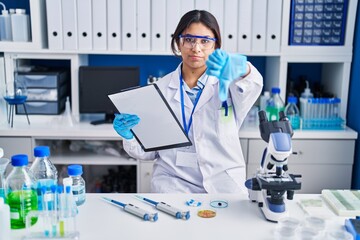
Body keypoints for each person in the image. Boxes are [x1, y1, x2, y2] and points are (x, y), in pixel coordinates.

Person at [113, 10, 263, 193]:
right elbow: (149, 152)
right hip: (174, 185)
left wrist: (242, 67)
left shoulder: (230, 85)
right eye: (189, 39)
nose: (196, 48)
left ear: (215, 46)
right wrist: (129, 136)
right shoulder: (160, 89)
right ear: (179, 42)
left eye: (205, 41)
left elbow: (253, 84)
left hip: (223, 184)